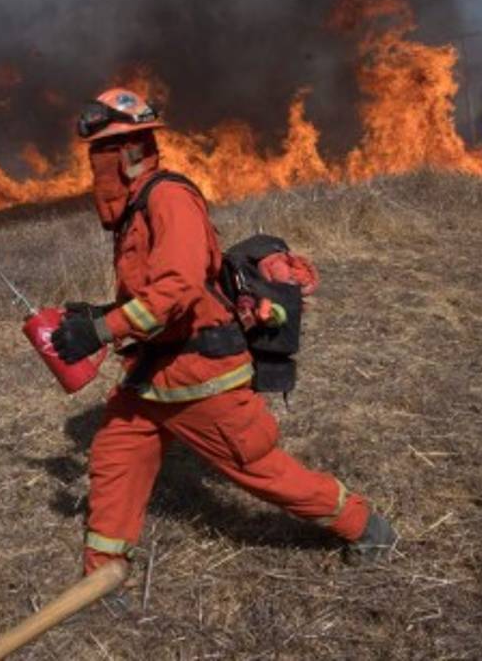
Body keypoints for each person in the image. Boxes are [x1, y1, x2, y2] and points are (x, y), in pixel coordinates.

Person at [50, 89, 397, 575]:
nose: (97, 165)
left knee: (255, 467)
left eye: (104, 152)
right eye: (94, 153)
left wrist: (103, 330)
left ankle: (364, 526)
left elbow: (178, 289)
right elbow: (151, 291)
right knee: (116, 458)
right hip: (152, 373)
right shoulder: (135, 209)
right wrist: (98, 315)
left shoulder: (169, 198)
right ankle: (103, 573)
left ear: (131, 152)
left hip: (199, 374)